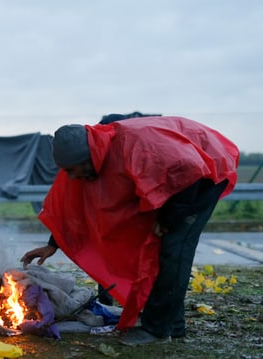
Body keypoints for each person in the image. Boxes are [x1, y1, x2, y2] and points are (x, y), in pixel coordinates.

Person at [20, 116, 239, 346]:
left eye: (74, 170)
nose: (73, 177)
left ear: (88, 157)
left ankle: (158, 331)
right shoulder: (87, 162)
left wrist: (168, 219)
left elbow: (190, 171)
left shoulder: (136, 148)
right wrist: (53, 243)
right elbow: (75, 206)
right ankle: (172, 324)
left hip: (202, 175)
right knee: (153, 249)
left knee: (173, 249)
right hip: (177, 178)